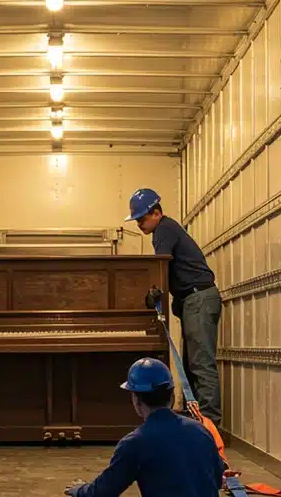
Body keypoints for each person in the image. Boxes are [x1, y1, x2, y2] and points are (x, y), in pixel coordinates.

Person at [125, 188, 223, 426]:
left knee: (200, 364)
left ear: (156, 213)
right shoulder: (165, 229)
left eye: (141, 218)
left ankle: (210, 427)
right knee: (193, 365)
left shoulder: (164, 229)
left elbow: (161, 267)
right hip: (194, 299)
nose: (139, 224)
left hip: (198, 298)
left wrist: (154, 292)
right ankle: (198, 420)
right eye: (136, 220)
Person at [63, 358, 225, 497]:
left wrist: (80, 490)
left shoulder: (134, 443)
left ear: (136, 400)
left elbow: (102, 492)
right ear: (172, 395)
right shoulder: (201, 430)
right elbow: (217, 479)